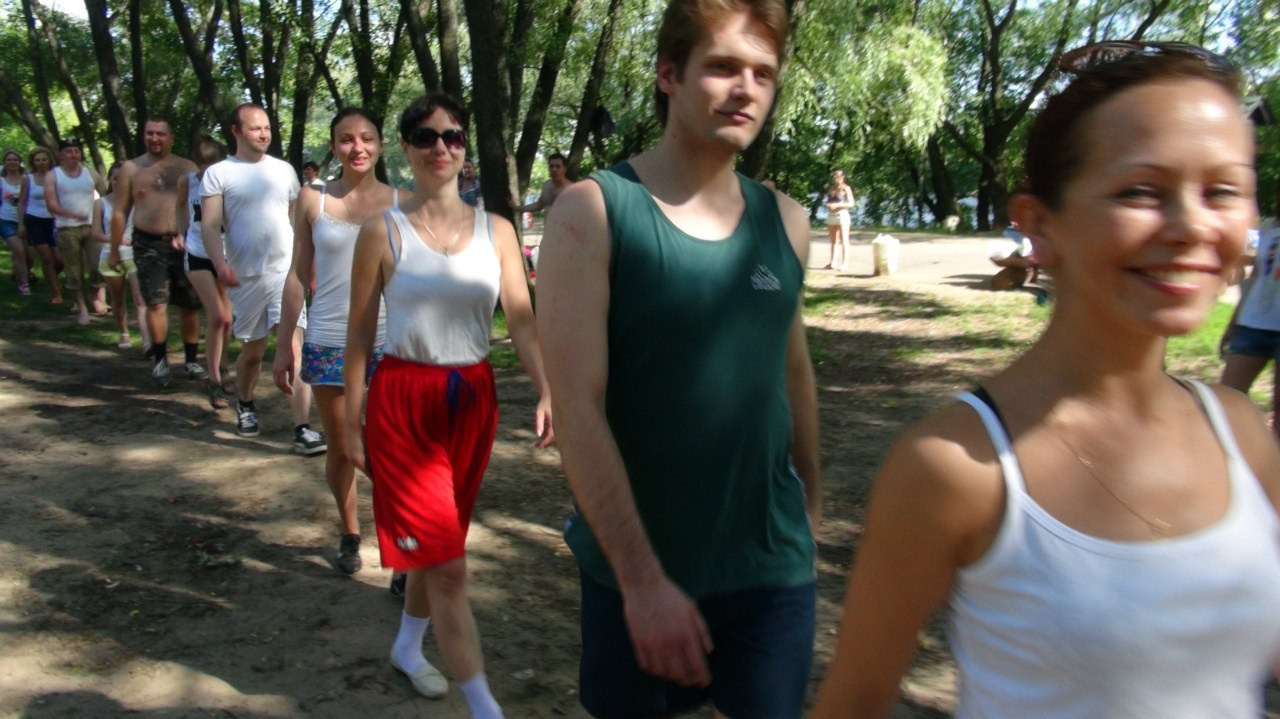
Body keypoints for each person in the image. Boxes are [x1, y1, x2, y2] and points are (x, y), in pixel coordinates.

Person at [811, 42, 1280, 718]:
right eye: (1141, 190)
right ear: (1039, 224)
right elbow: (854, 703)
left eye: (1223, 191)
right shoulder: (953, 466)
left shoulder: (1242, 434)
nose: (1192, 226)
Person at [536, 1, 822, 716]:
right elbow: (577, 410)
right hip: (635, 573)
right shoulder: (592, 213)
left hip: (769, 572)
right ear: (669, 74)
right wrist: (642, 583)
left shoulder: (787, 222)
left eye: (763, 72)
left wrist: (811, 514)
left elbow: (792, 373)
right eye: (722, 66)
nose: (746, 87)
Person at [344, 93, 553, 715]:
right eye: (427, 136)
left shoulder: (498, 231)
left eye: (453, 136)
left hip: (473, 399)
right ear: (406, 147)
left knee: (439, 548)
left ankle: (408, 648)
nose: (442, 147)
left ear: (465, 149)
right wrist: (352, 422)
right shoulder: (381, 232)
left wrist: (547, 387)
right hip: (404, 403)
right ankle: (485, 706)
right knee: (450, 566)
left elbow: (521, 319)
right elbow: (359, 334)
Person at [272, 108, 403, 573]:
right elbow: (296, 275)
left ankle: (403, 547)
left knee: (390, 451)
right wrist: (285, 342)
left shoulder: (404, 202)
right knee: (345, 447)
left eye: (366, 138)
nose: (357, 147)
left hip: (391, 343)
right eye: (346, 139)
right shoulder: (313, 199)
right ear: (333, 147)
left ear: (381, 145)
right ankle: (350, 533)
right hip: (329, 340)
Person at [201, 103, 323, 452]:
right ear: (236, 131)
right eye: (255, 128)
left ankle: (302, 429)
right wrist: (220, 264)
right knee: (253, 352)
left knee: (295, 347)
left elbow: (299, 224)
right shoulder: (219, 173)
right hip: (246, 277)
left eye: (267, 128)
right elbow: (210, 225)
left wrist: (310, 266)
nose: (263, 134)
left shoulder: (284, 171)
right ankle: (246, 403)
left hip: (286, 273)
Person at [111, 117, 205, 389]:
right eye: (150, 133)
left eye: (161, 134)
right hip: (147, 243)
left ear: (171, 137)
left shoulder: (187, 167)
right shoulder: (131, 169)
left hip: (185, 243)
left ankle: (191, 360)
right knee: (156, 303)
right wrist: (115, 249)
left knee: (190, 304)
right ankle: (160, 360)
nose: (155, 138)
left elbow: (202, 205)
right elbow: (119, 212)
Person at [178, 135, 235, 409]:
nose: (207, 169)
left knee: (228, 319)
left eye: (212, 163)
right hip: (197, 253)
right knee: (218, 316)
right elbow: (180, 206)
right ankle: (212, 380)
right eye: (202, 164)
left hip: (226, 254)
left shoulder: (230, 183)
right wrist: (180, 233)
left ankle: (222, 366)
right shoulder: (187, 182)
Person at [1220, 183, 1280, 440]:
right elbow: (1248, 274)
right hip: (1251, 326)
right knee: (1226, 400)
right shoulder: (1262, 229)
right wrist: (1233, 322)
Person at [45, 138, 106, 324]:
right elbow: (51, 204)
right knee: (73, 270)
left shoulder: (91, 173)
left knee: (97, 264)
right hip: (66, 228)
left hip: (92, 226)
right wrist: (71, 214)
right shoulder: (53, 175)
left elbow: (105, 196)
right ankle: (81, 306)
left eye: (76, 151)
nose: (73, 155)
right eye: (69, 151)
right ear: (60, 155)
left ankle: (95, 295)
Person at [92, 163, 150, 350]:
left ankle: (147, 340)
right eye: (116, 178)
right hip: (110, 255)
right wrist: (114, 238)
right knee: (117, 299)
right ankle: (124, 333)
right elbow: (95, 233)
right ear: (110, 180)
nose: (120, 182)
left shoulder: (138, 201)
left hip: (134, 255)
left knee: (140, 299)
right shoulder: (100, 203)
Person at [18, 147, 63, 304]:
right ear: (33, 162)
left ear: (49, 161)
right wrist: (21, 224)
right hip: (34, 220)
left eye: (44, 159)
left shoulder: (57, 177)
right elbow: (22, 202)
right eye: (38, 160)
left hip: (54, 221)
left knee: (60, 260)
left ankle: (50, 277)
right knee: (47, 257)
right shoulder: (27, 179)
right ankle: (56, 294)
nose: (41, 162)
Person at [1, 149, 30, 295]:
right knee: (19, 250)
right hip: (6, 220)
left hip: (26, 219)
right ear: (4, 163)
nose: (12, 162)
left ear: (20, 162)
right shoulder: (1, 180)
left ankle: (19, 274)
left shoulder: (27, 179)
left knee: (28, 256)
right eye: (9, 160)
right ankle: (24, 284)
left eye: (15, 160)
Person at [823, 169, 853, 271]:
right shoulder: (831, 189)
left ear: (843, 177)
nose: (837, 178)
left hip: (842, 215)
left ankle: (845, 263)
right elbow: (828, 201)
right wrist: (828, 205)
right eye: (835, 176)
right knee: (833, 241)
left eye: (839, 176)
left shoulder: (846, 188)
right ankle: (833, 263)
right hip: (832, 215)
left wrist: (837, 205)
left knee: (844, 239)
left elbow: (851, 203)